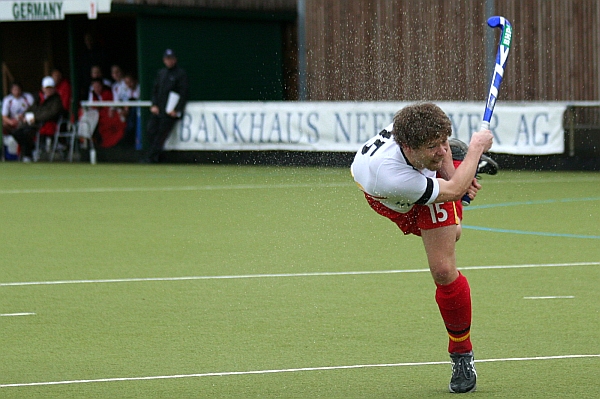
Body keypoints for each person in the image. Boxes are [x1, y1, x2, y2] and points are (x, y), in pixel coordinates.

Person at [351, 103, 497, 394]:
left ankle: (461, 354)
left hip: (419, 184)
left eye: (445, 142)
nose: (440, 149)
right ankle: (462, 163)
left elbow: (450, 187)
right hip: (391, 198)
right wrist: (475, 149)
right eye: (434, 146)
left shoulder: (411, 125)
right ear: (406, 146)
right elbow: (454, 190)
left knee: (443, 270)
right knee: (453, 229)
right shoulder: (391, 175)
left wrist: (448, 171)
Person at [142, 48, 188, 163]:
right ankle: (159, 156)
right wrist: (154, 105)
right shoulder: (161, 73)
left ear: (175, 60)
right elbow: (155, 90)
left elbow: (183, 93)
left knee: (161, 135)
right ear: (164, 60)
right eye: (167, 59)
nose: (169, 61)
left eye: (171, 59)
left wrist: (176, 109)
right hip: (159, 110)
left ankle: (151, 158)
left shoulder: (180, 74)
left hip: (169, 112)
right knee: (150, 130)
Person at [11, 76, 64, 162]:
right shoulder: (39, 99)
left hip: (46, 124)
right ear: (43, 88)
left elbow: (50, 114)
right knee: (17, 132)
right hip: (34, 123)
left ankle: (29, 154)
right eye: (47, 88)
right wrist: (23, 116)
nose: (49, 90)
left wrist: (35, 118)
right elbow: (31, 109)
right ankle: (30, 151)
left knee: (26, 133)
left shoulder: (56, 100)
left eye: (50, 88)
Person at [86, 77, 125, 148]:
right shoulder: (92, 94)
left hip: (111, 115)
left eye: (98, 86)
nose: (96, 89)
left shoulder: (110, 91)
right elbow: (91, 106)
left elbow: (116, 103)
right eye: (95, 87)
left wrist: (112, 108)